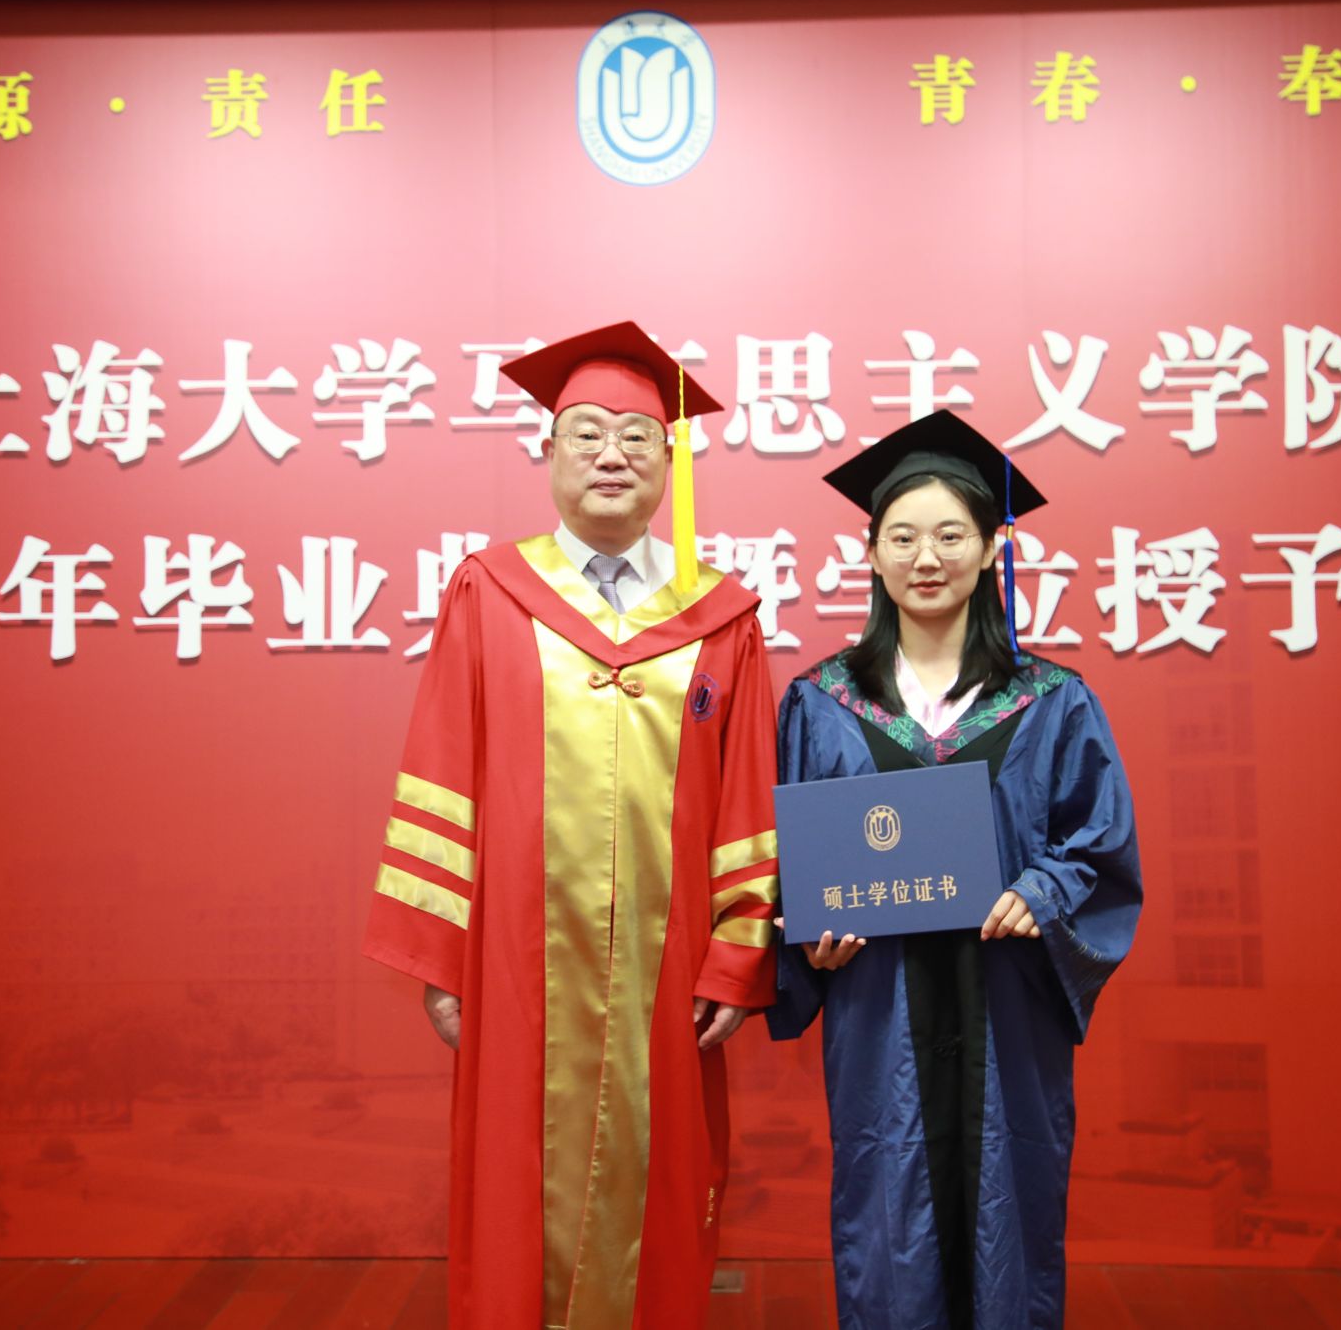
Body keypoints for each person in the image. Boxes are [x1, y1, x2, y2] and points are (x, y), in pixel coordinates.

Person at [362, 321, 781, 1330]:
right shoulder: (490, 592)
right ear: (547, 452)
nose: (610, 455)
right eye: (585, 433)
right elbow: (441, 771)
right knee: (517, 1179)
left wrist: (736, 955)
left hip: (664, 969)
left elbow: (748, 799)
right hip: (518, 965)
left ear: (668, 464)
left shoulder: (720, 617)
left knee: (661, 1183)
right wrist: (444, 959)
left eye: (636, 437)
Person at [767, 410, 1141, 1330]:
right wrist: (807, 938)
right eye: (902, 537)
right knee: (887, 1218)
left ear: (991, 547)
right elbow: (786, 861)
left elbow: (1099, 847)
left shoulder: (1052, 701)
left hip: (1005, 1009)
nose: (925, 557)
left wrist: (1041, 891)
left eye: (949, 535)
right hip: (877, 1011)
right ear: (871, 553)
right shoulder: (821, 702)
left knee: (1010, 1218)